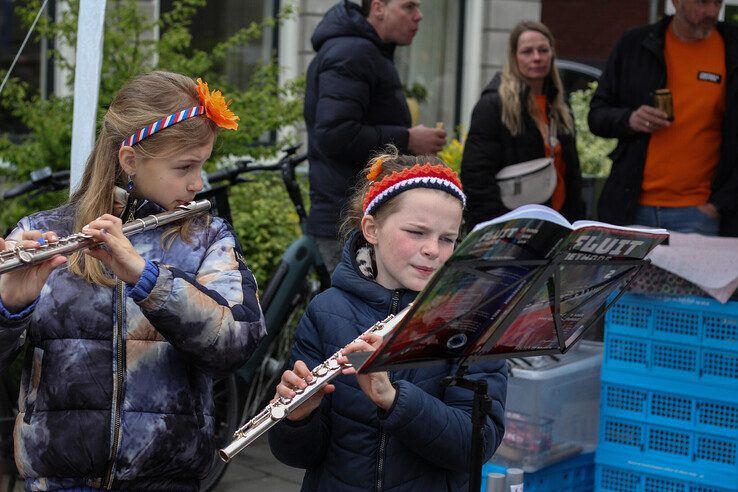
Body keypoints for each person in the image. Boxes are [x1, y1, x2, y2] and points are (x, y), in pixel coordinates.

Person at [0, 71, 266, 491]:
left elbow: (238, 343)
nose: (198, 183)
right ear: (130, 161)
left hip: (166, 478)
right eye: (185, 167)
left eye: (203, 165)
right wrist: (10, 308)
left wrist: (149, 279)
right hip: (59, 479)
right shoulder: (40, 231)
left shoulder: (206, 238)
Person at [268, 148, 507, 491]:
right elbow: (299, 455)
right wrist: (297, 417)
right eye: (416, 232)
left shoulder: (472, 321)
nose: (433, 250)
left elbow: (475, 445)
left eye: (447, 239)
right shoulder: (327, 311)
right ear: (371, 229)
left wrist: (395, 399)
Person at [304, 0, 447, 272]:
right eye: (408, 7)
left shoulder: (365, 50)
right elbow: (334, 134)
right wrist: (408, 140)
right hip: (348, 219)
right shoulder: (353, 52)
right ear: (378, 9)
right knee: (363, 313)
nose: (419, 16)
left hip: (357, 214)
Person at [588, 0, 738, 236]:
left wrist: (720, 204)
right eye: (702, 2)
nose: (711, 11)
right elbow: (596, 115)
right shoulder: (634, 44)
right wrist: (629, 119)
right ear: (676, 2)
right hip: (632, 208)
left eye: (717, 2)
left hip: (700, 215)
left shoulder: (731, 47)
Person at [460, 20, 584, 230]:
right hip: (513, 228)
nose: (536, 57)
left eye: (543, 50)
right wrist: (501, 227)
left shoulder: (560, 106)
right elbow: (476, 177)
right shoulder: (494, 104)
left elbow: (572, 175)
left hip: (559, 225)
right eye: (527, 51)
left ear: (552, 53)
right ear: (514, 57)